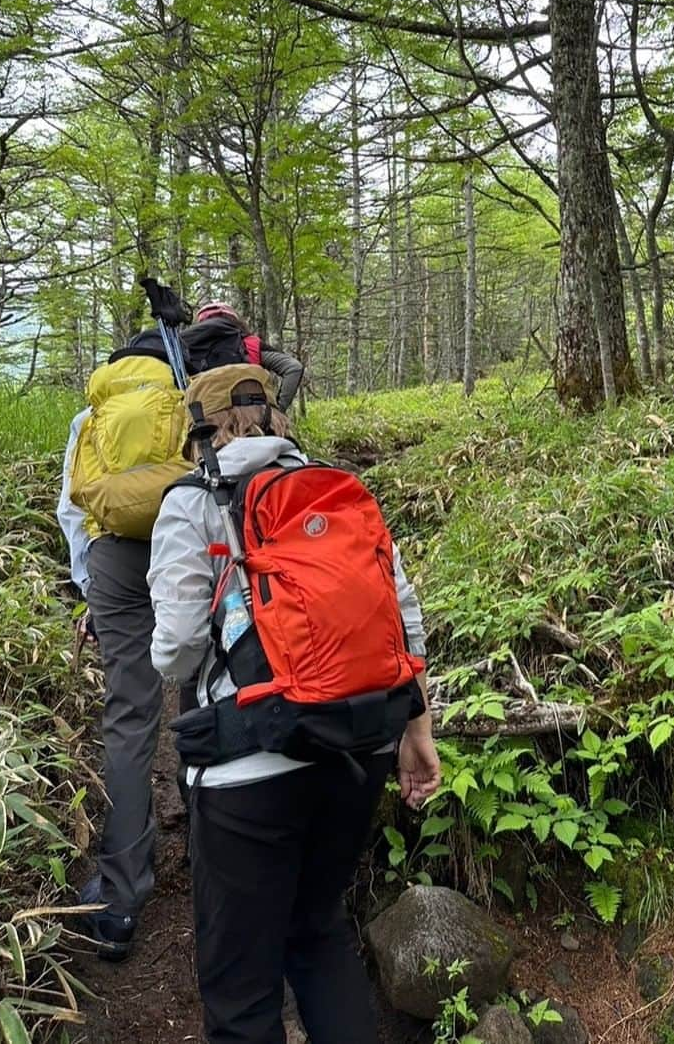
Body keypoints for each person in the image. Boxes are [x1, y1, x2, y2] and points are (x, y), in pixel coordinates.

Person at [148, 365, 440, 1044]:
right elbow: (405, 622)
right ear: (275, 414)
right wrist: (416, 730)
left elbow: (178, 653)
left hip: (247, 772)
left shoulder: (192, 502)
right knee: (317, 932)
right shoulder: (336, 491)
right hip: (359, 749)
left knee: (242, 987)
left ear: (200, 428)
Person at [57, 342, 191, 960]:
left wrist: (91, 590)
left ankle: (119, 897)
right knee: (202, 693)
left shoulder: (95, 414)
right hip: (186, 543)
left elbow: (72, 507)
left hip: (112, 555)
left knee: (131, 716)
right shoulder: (186, 396)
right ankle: (215, 853)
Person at [184, 303, 305, 411]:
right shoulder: (250, 344)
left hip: (207, 420)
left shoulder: (187, 352)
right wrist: (279, 408)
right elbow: (294, 367)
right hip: (254, 417)